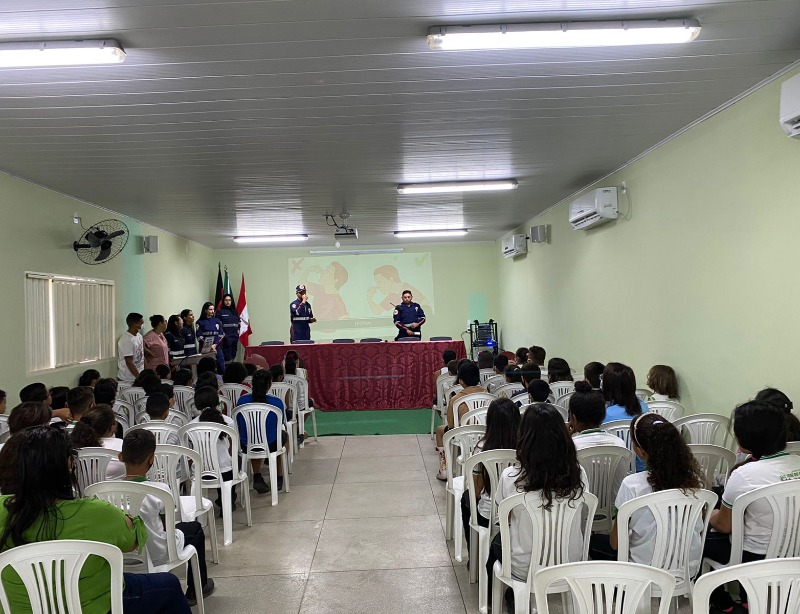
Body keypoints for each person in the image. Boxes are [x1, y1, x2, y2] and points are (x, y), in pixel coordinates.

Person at [0, 426, 190, 613]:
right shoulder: (95, 512)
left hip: (14, 608)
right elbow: (134, 541)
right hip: (94, 604)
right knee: (169, 585)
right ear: (68, 464)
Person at [703, 401, 800, 611]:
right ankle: (749, 599)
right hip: (795, 550)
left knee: (699, 538)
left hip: (754, 555)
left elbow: (724, 526)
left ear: (745, 438)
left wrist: (710, 514)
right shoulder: (797, 462)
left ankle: (721, 601)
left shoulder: (743, 475)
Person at [485, 404, 588, 600]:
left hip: (525, 566)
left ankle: (496, 599)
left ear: (524, 437)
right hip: (571, 560)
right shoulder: (579, 474)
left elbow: (503, 520)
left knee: (496, 544)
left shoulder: (511, 476)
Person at [589, 414, 706, 574]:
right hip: (688, 569)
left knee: (594, 542)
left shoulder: (632, 485)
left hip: (645, 571)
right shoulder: (696, 481)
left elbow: (616, 543)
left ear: (640, 451)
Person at [119, 429, 215, 605]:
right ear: (151, 459)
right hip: (158, 552)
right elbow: (167, 527)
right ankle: (197, 588)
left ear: (121, 456)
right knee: (194, 529)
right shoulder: (159, 490)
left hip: (124, 552)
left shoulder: (106, 489)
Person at [460, 398, 520, 549]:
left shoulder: (482, 448)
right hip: (520, 514)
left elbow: (476, 490)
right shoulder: (525, 446)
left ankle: (474, 553)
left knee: (466, 498)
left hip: (488, 515)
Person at [236, 369, 287, 494]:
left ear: (253, 384)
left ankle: (257, 475)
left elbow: (238, 423)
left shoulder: (241, 401)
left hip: (245, 445)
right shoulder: (276, 402)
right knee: (284, 436)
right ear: (270, 384)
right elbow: (282, 423)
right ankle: (279, 476)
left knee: (253, 436)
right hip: (270, 444)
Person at [434, 361, 486, 481]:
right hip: (485, 433)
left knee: (440, 430)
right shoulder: (487, 393)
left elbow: (451, 424)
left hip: (463, 435)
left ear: (461, 381)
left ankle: (444, 469)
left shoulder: (456, 399)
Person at [71, 406, 126, 480]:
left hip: (80, 490)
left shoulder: (74, 442)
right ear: (112, 428)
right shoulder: (122, 445)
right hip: (115, 490)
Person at [568, 381, 626, 449]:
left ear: (574, 419)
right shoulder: (619, 443)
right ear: (603, 416)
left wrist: (566, 438)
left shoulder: (570, 446)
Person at [196, 302, 225, 375]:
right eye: (210, 309)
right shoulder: (200, 322)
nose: (212, 311)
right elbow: (199, 336)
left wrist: (215, 345)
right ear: (205, 310)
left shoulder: (217, 321)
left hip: (217, 347)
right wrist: (209, 346)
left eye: (213, 309)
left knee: (221, 366)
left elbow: (221, 335)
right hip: (205, 348)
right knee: (207, 368)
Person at [118, 312, 145, 384]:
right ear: (135, 324)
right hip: (128, 379)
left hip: (139, 375)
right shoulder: (126, 340)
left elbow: (142, 355)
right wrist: (139, 378)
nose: (143, 325)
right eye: (141, 323)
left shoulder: (139, 336)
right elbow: (129, 362)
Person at [217, 293, 240, 363]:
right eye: (226, 300)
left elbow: (238, 323)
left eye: (229, 300)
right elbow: (218, 326)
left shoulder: (235, 312)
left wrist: (238, 331)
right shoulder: (219, 312)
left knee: (233, 354)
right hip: (226, 338)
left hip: (234, 337)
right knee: (227, 356)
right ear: (223, 301)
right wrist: (223, 335)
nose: (228, 302)